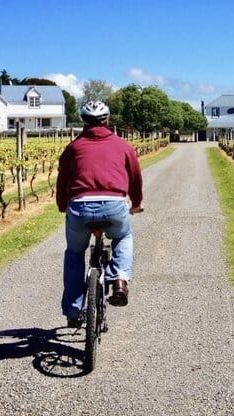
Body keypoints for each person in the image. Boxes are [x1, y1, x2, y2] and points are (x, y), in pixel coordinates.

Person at [56, 101, 143, 328]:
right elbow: (135, 177)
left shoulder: (73, 148)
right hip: (114, 205)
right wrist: (137, 203)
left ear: (84, 121)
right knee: (123, 237)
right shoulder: (123, 145)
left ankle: (73, 311)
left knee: (75, 253)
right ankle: (119, 281)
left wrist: (63, 205)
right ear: (107, 120)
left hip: (80, 207)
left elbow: (62, 179)